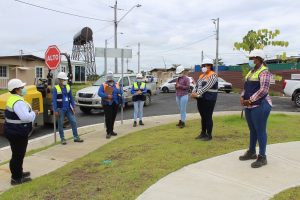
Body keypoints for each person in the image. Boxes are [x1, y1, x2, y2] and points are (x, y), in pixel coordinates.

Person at [239, 49, 272, 168]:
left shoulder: (265, 72)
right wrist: (242, 96)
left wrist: (250, 100)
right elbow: (246, 87)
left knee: (260, 130)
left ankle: (262, 157)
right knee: (252, 129)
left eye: (251, 58)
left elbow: (264, 90)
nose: (250, 61)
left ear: (258, 59)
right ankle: (252, 152)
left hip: (260, 105)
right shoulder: (251, 71)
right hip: (249, 105)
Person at [4, 79, 39, 185]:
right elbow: (25, 117)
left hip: (13, 131)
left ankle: (19, 172)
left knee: (18, 154)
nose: (23, 89)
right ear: (17, 90)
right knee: (18, 155)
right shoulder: (18, 102)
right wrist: (34, 113)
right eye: (22, 87)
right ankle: (16, 178)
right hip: (17, 132)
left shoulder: (14, 98)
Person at [52, 72, 83, 145]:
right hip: (60, 109)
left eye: (66, 79)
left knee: (73, 122)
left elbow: (71, 97)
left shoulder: (68, 87)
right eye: (64, 80)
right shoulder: (55, 89)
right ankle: (62, 139)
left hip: (68, 108)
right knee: (60, 124)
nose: (65, 81)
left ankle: (76, 137)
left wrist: (73, 106)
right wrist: (55, 110)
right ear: (60, 80)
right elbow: (54, 100)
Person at [191, 58, 218, 141]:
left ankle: (209, 135)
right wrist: (193, 92)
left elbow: (207, 86)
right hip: (201, 99)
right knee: (203, 116)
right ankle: (203, 133)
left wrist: (197, 93)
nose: (205, 67)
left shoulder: (213, 75)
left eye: (207, 65)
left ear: (210, 66)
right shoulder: (201, 75)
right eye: (203, 65)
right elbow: (197, 85)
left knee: (208, 116)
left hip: (209, 99)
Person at [98, 71, 124, 139]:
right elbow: (99, 93)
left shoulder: (117, 84)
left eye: (111, 77)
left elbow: (121, 93)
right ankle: (108, 132)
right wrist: (107, 96)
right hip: (107, 103)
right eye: (109, 77)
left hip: (115, 103)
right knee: (108, 118)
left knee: (113, 117)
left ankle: (112, 130)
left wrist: (123, 102)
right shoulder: (104, 85)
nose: (110, 78)